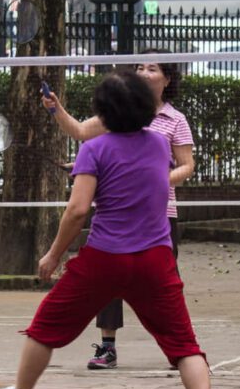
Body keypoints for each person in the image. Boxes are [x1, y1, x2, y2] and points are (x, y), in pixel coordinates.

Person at [0, 70, 231, 389]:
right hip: (155, 258)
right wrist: (87, 168)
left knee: (45, 327)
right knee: (183, 343)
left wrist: (53, 254)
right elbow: (133, 175)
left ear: (103, 111)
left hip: (104, 258)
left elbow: (77, 211)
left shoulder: (93, 150)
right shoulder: (159, 146)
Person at [42, 51, 194, 369]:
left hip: (159, 215)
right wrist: (56, 109)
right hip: (114, 215)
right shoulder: (115, 114)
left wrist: (157, 179)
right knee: (107, 282)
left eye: (152, 69)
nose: (144, 72)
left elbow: (187, 165)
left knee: (165, 287)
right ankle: (107, 347)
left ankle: (179, 349)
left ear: (167, 79)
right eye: (139, 67)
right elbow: (80, 132)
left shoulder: (175, 120)